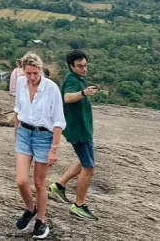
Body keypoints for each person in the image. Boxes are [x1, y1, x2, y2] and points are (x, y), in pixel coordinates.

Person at [12, 54, 65, 239]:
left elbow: (58, 121)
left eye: (35, 73)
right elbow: (17, 109)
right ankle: (30, 208)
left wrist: (54, 149)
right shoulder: (20, 83)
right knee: (21, 181)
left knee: (39, 183)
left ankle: (41, 221)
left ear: (40, 70)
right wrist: (16, 131)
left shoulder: (51, 89)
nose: (32, 77)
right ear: (23, 71)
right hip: (25, 133)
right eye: (28, 73)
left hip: (44, 136)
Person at [48, 50, 99, 221]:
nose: (84, 69)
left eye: (85, 65)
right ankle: (78, 205)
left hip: (84, 129)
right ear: (71, 66)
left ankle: (59, 186)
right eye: (79, 66)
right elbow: (68, 97)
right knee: (89, 167)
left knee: (82, 160)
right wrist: (84, 93)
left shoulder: (78, 78)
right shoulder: (71, 79)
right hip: (78, 130)